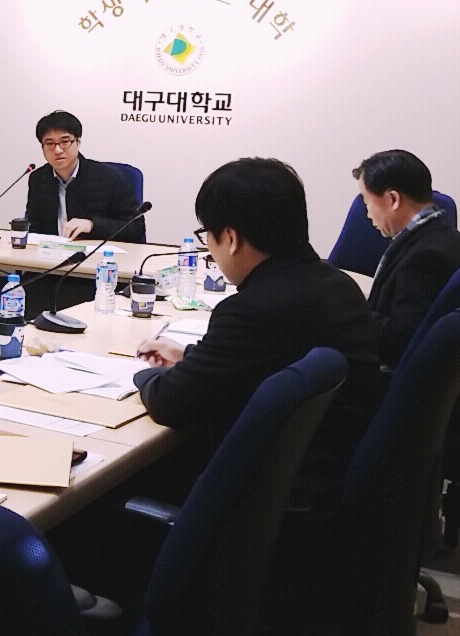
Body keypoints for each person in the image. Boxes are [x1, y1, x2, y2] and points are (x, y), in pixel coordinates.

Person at [134, 158, 380, 494]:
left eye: (207, 236)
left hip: (270, 489)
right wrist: (190, 357)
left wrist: (143, 375)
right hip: (332, 472)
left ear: (231, 238)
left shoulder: (250, 311)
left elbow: (171, 402)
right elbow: (268, 359)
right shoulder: (339, 285)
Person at [352, 149, 460, 367]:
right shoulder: (445, 236)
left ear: (393, 199)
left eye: (367, 202)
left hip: (382, 372)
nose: (367, 214)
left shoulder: (424, 259)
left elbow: (398, 341)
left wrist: (350, 310)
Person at [23, 110, 145, 241]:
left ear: (78, 142)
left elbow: (136, 227)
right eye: (50, 143)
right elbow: (34, 226)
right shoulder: (38, 179)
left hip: (95, 251)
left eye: (65, 141)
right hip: (50, 251)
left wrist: (92, 225)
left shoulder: (109, 177)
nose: (57, 150)